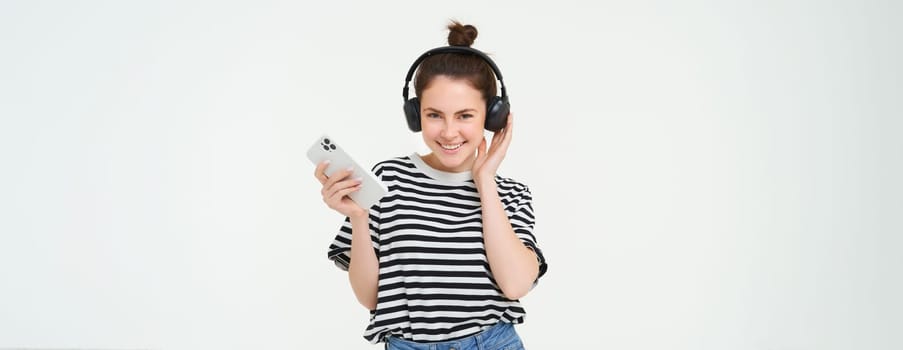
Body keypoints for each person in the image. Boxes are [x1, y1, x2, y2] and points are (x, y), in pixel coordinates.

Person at [313, 20, 548, 350]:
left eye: (465, 116)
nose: (449, 132)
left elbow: (515, 285)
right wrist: (359, 217)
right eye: (434, 115)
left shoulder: (510, 194)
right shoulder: (389, 179)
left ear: (492, 116)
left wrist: (484, 182)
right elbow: (370, 299)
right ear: (415, 115)